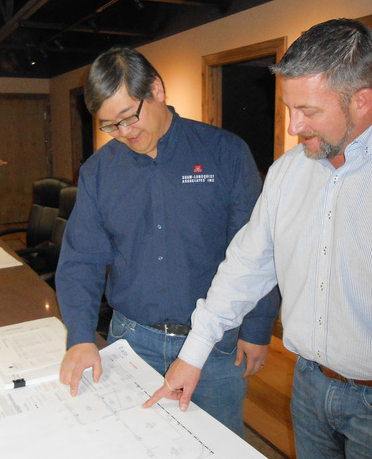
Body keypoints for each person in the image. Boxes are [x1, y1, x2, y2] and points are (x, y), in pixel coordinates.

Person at [144, 18, 372, 458]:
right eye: (288, 108)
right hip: (308, 384)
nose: (293, 126)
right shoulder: (289, 171)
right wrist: (195, 352)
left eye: (309, 111)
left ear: (361, 100)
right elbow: (247, 266)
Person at [55, 47, 281, 437]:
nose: (124, 133)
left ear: (156, 90)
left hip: (214, 346)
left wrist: (258, 327)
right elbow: (81, 261)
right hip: (130, 340)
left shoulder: (225, 153)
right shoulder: (98, 172)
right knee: (137, 443)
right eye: (110, 125)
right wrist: (79, 336)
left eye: (128, 117)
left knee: (217, 443)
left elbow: (258, 251)